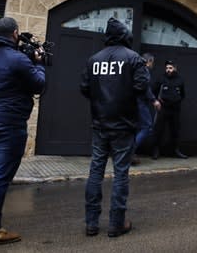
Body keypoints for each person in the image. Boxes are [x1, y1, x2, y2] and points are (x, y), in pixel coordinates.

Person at [0, 17, 46, 247]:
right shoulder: (17, 59)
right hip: (8, 123)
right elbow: (39, 84)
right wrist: (39, 63)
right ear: (15, 33)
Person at [80, 17, 150, 238]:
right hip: (124, 125)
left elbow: (84, 88)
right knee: (121, 174)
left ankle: (91, 223)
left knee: (95, 172)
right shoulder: (133, 58)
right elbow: (142, 86)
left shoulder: (94, 59)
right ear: (124, 36)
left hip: (100, 123)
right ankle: (116, 223)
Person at [152, 60, 187, 159]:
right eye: (167, 68)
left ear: (175, 68)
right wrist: (155, 101)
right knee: (159, 130)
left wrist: (178, 100)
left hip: (175, 109)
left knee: (175, 130)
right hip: (163, 108)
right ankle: (156, 151)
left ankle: (176, 151)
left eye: (170, 68)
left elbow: (183, 94)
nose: (168, 70)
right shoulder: (161, 78)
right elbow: (153, 91)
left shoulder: (180, 80)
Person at [132, 53, 161, 165]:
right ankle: (131, 151)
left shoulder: (134, 68)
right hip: (140, 102)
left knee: (135, 126)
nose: (152, 65)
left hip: (132, 102)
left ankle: (129, 151)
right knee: (147, 126)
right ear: (149, 61)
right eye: (152, 63)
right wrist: (154, 100)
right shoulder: (143, 70)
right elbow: (145, 87)